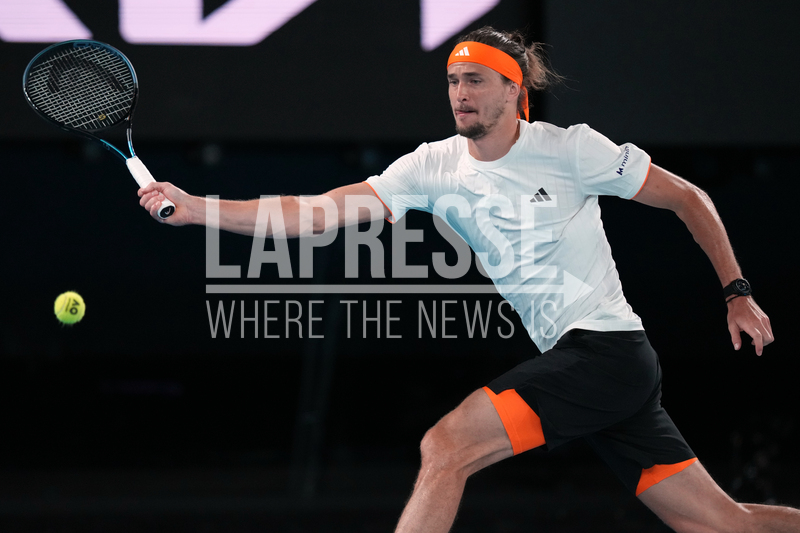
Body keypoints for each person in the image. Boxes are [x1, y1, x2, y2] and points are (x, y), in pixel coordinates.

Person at [139, 26, 797, 533]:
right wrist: (198, 209)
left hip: (606, 352)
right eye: (454, 81)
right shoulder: (432, 166)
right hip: (601, 368)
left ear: (514, 89)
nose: (460, 93)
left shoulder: (571, 150)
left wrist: (736, 292)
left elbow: (688, 197)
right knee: (723, 524)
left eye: (476, 80)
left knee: (446, 445)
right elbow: (316, 213)